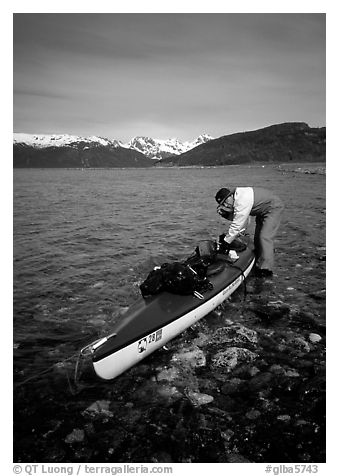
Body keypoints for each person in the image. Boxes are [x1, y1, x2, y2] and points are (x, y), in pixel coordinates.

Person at [215, 186, 284, 277]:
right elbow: (243, 220)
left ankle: (266, 269)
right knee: (257, 237)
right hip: (262, 210)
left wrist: (226, 242)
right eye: (223, 204)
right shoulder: (236, 199)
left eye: (225, 202)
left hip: (273, 208)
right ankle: (259, 259)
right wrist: (227, 215)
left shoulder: (242, 200)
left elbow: (238, 224)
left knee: (265, 237)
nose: (226, 205)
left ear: (230, 196)